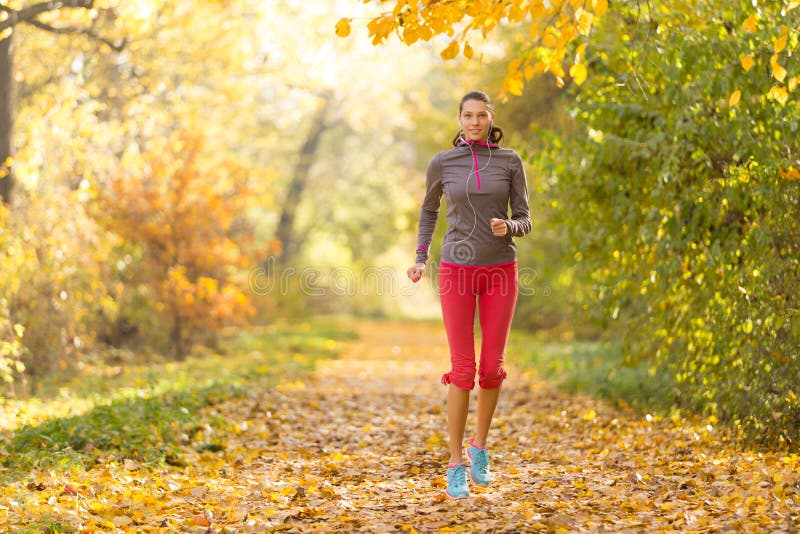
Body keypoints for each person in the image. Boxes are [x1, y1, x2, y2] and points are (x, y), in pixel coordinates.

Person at [407, 90, 531, 499]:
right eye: (467, 116)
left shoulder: (510, 161)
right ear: (459, 119)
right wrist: (421, 257)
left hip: (501, 272)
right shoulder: (443, 162)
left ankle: (480, 448)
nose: (474, 122)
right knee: (462, 369)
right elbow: (428, 211)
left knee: (491, 369)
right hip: (457, 270)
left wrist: (509, 228)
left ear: (490, 118)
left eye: (481, 115)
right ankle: (455, 462)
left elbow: (525, 218)